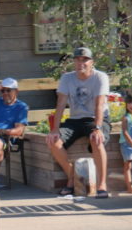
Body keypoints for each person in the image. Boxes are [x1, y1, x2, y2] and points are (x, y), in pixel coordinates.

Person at [46, 47, 111, 198]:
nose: (81, 62)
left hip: (95, 119)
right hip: (74, 120)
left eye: (85, 59)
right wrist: (55, 129)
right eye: (77, 59)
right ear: (74, 62)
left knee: (97, 139)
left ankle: (102, 184)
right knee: (53, 141)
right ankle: (73, 177)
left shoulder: (100, 77)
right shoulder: (67, 78)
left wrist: (98, 127)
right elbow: (61, 104)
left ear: (92, 62)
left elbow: (99, 104)